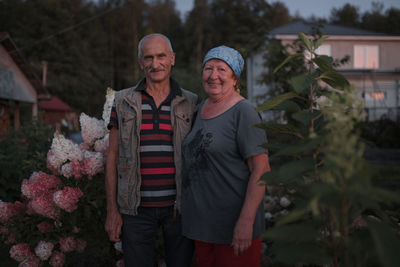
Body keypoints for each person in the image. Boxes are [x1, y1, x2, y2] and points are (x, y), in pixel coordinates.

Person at [105, 33, 197, 267]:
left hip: (179, 209)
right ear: (140, 62)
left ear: (172, 58)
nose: (155, 64)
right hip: (135, 211)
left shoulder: (191, 102)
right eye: (148, 57)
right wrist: (112, 210)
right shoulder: (122, 101)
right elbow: (112, 156)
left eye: (161, 56)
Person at [181, 46, 270, 267]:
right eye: (208, 68)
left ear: (234, 76)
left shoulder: (244, 111)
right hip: (203, 227)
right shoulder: (200, 109)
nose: (213, 75)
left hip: (234, 229)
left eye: (222, 69)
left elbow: (261, 170)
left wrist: (246, 221)